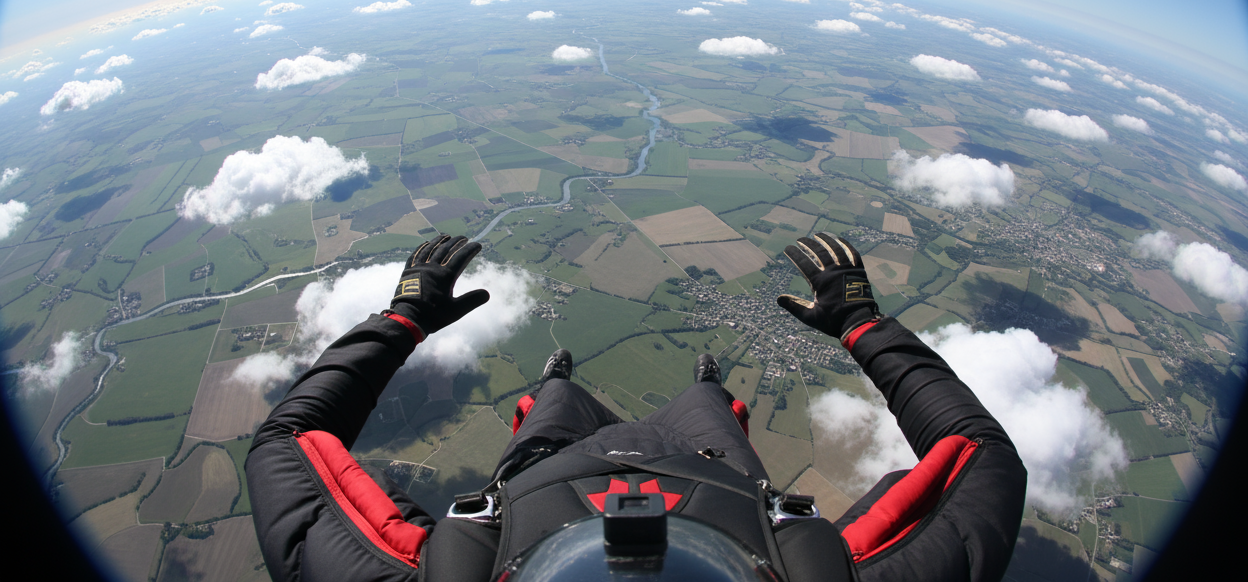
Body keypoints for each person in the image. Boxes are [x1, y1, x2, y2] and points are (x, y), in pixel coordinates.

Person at [246, 233, 1026, 582]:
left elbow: (288, 439)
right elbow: (981, 455)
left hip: (549, 458)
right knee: (706, 402)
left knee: (554, 399)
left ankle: (563, 384)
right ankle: (706, 386)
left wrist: (401, 318)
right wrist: (864, 325)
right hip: (707, 457)